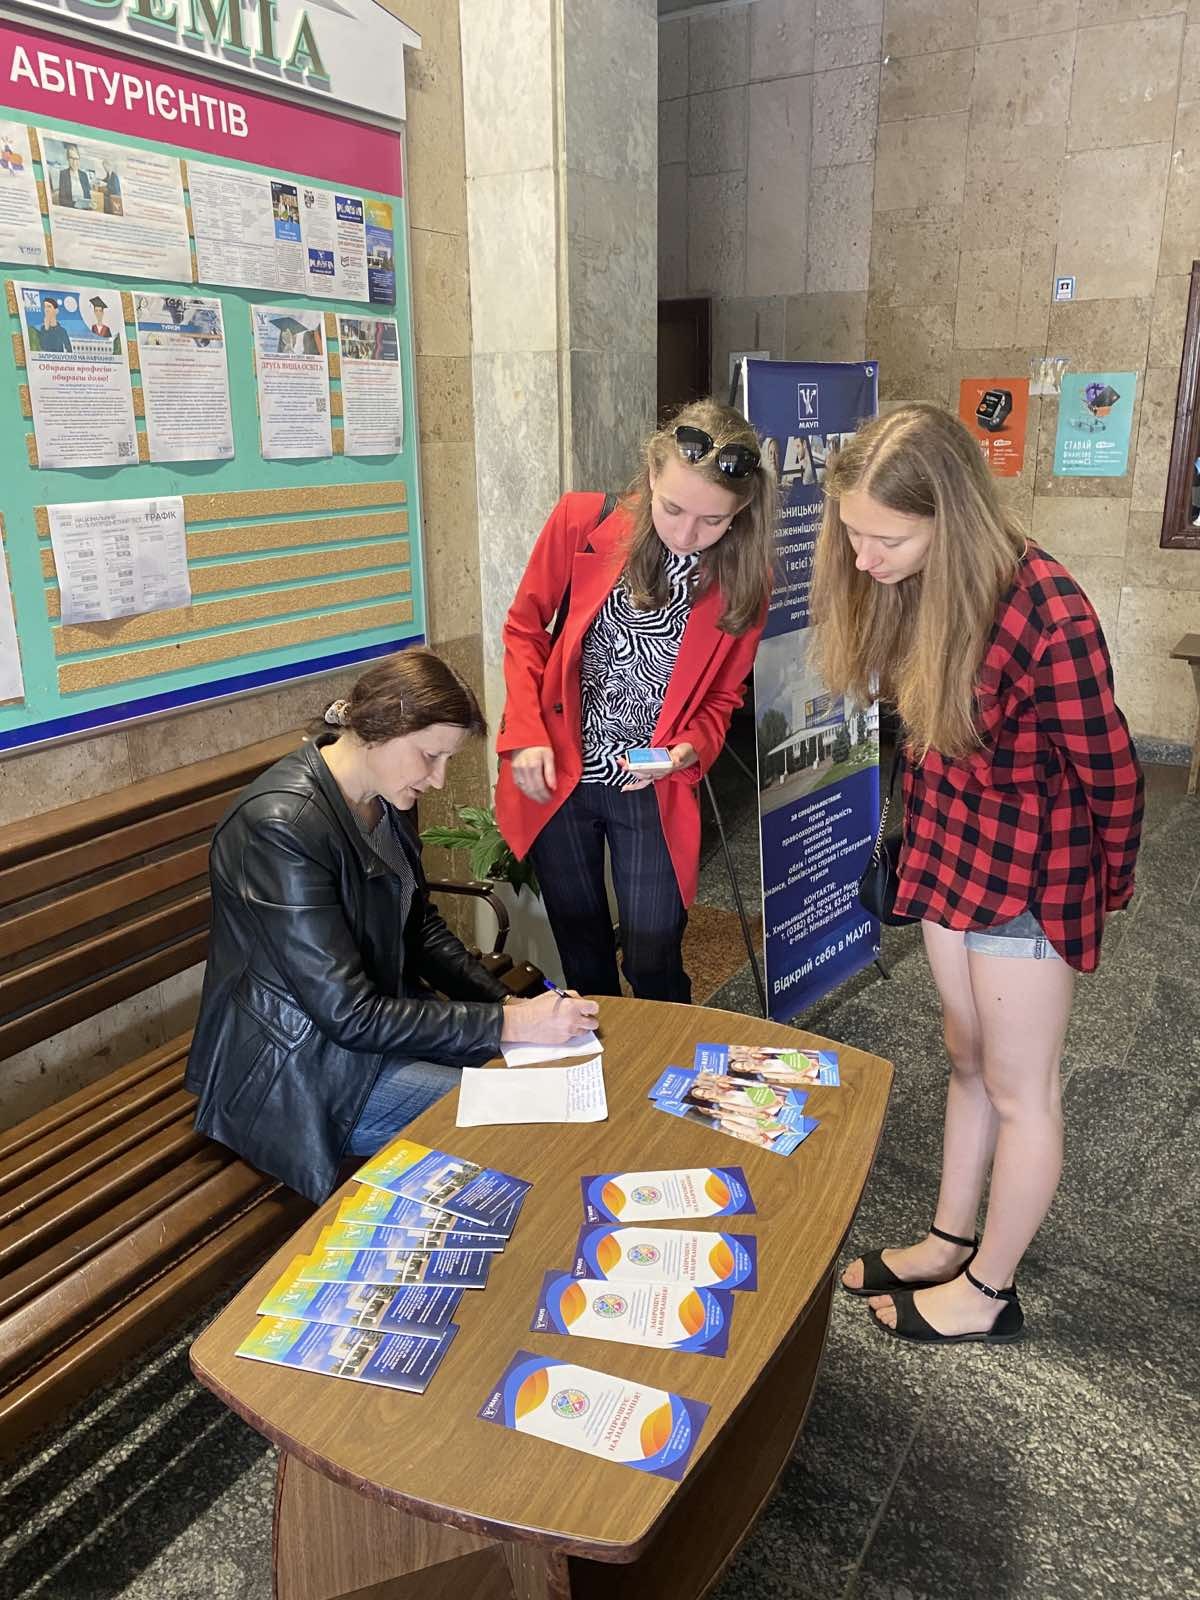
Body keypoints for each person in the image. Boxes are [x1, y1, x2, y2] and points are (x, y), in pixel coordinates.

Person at [814, 404, 1143, 1345]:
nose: (864, 558)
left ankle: (988, 1292)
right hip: (952, 846)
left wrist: (1105, 890)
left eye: (886, 539)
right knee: (965, 1056)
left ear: (948, 516)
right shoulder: (920, 583)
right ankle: (950, 1239)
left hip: (1032, 871)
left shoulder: (1049, 609)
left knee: (1019, 1087)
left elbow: (1111, 771)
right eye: (853, 535)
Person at [185, 649, 597, 1204]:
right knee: (520, 1119)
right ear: (378, 729)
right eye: (430, 756)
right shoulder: (279, 827)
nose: (439, 779)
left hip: (367, 1035)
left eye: (446, 759)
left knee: (547, 1089)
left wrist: (507, 1005)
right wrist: (510, 1022)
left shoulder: (382, 796)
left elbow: (417, 926)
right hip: (299, 1069)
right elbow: (347, 1014)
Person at [496, 398, 776, 1002]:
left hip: (651, 782)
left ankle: (666, 1053)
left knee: (654, 952)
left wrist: (688, 749)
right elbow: (524, 629)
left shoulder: (747, 581)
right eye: (672, 508)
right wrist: (526, 733)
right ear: (651, 474)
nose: (685, 535)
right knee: (583, 952)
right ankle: (605, 1057)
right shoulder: (581, 521)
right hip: (562, 773)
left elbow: (723, 696)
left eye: (712, 521)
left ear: (741, 512)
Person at [57, 144, 90, 208]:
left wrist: (90, 204)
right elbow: (62, 200)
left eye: (76, 159)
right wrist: (77, 204)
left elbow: (88, 197)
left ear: (79, 159)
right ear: (67, 159)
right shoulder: (63, 174)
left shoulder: (84, 175)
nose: (74, 162)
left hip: (84, 209)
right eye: (71, 158)